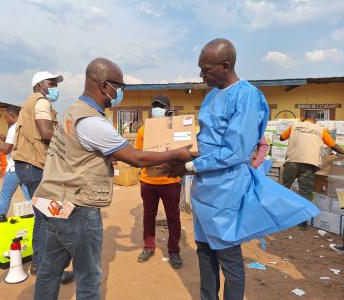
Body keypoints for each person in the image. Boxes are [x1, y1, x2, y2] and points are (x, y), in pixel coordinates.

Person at [33, 58, 195, 300]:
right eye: (119, 87)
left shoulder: (72, 112)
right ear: (104, 86)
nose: (120, 93)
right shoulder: (92, 123)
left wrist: (103, 160)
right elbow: (137, 158)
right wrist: (177, 153)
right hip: (78, 209)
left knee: (50, 269)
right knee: (88, 277)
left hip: (53, 203)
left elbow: (76, 154)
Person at [171, 38, 319, 300]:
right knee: (204, 251)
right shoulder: (210, 97)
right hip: (205, 189)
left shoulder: (247, 96)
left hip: (226, 189)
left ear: (225, 66)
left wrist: (191, 165)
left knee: (228, 255)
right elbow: (206, 141)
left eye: (206, 69)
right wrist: (183, 154)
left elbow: (235, 150)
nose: (201, 75)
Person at [12, 71, 73, 283]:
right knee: (49, 216)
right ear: (39, 85)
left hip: (27, 166)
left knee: (44, 215)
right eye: (52, 82)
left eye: (56, 83)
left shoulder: (32, 102)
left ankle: (41, 264)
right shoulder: (40, 102)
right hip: (33, 167)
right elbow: (47, 133)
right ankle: (44, 265)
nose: (55, 86)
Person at [135, 94, 182, 269]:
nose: (157, 109)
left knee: (173, 217)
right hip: (148, 181)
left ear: (168, 109)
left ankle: (174, 251)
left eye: (161, 106)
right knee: (149, 215)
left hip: (170, 181)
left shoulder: (175, 129)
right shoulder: (143, 130)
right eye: (155, 106)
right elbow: (139, 154)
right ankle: (149, 247)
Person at [280, 111, 344, 229]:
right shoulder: (320, 130)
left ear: (305, 118)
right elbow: (333, 146)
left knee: (284, 188)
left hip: (292, 162)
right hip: (309, 165)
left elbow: (281, 137)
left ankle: (279, 217)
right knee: (305, 193)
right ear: (315, 119)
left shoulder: (294, 126)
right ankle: (302, 223)